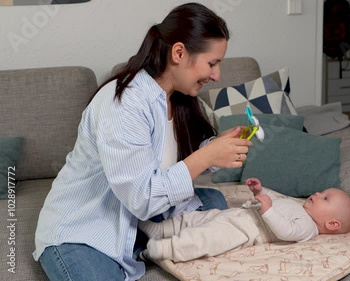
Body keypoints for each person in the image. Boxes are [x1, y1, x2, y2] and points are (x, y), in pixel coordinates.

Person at [33, 3, 252, 280]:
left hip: (135, 218)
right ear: (179, 53)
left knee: (215, 201)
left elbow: (170, 160)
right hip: (85, 228)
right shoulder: (125, 103)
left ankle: (142, 241)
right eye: (212, 63)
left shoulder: (176, 97)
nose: (217, 75)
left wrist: (213, 149)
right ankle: (139, 244)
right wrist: (206, 158)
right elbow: (142, 197)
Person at [139, 178, 350, 262]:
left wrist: (268, 211)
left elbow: (286, 231)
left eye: (325, 198)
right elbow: (272, 201)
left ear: (332, 224)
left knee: (203, 238)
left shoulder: (308, 228)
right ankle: (161, 229)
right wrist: (260, 192)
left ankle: (163, 249)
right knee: (194, 218)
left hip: (243, 232)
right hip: (236, 215)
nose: (317, 194)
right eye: (321, 192)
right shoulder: (296, 205)